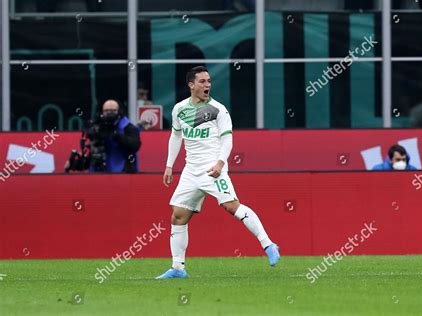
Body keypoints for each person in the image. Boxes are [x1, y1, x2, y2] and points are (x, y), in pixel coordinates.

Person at [156, 66, 280, 279]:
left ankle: (268, 245)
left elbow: (227, 139)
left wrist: (220, 164)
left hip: (213, 169)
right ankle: (178, 268)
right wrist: (169, 165)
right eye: (202, 81)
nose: (207, 85)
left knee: (232, 206)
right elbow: (176, 137)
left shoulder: (218, 109)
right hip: (190, 171)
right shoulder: (179, 109)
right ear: (191, 85)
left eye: (209, 81)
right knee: (178, 216)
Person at [65, 99, 141, 173]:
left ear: (119, 111)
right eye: (107, 111)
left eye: (113, 111)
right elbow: (93, 156)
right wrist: (74, 164)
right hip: (99, 174)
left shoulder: (127, 127)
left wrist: (116, 135)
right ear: (102, 112)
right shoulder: (98, 127)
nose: (110, 113)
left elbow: (135, 145)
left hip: (123, 173)